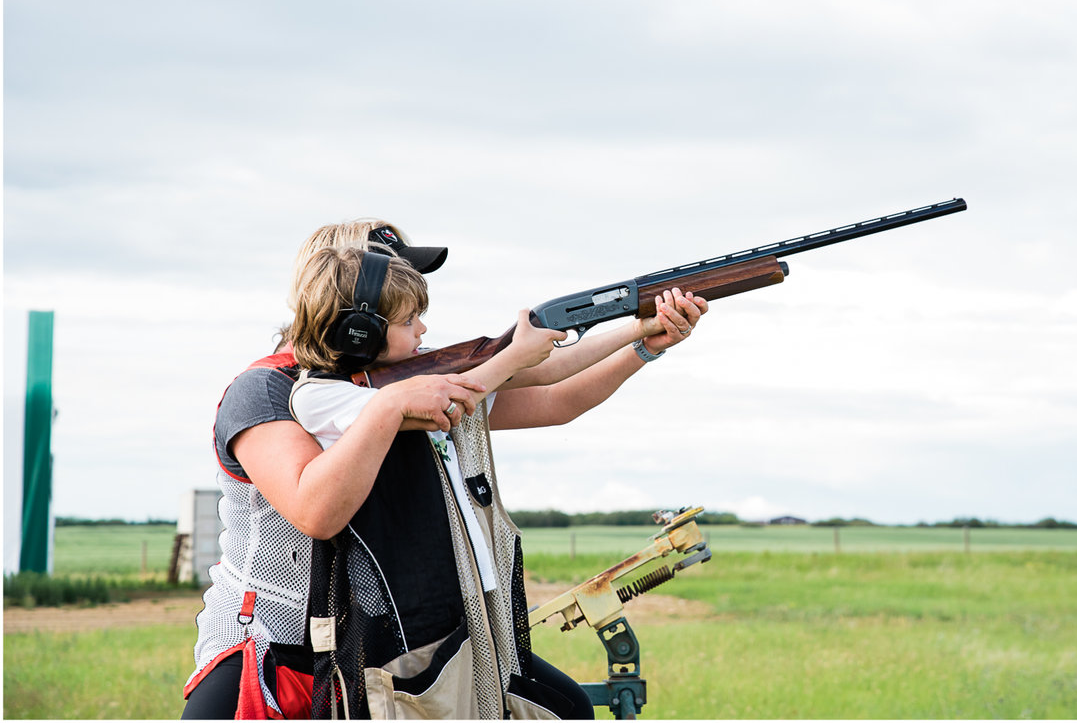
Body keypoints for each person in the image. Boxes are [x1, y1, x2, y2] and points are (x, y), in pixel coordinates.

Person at [186, 221, 706, 719]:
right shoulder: (272, 390)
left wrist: (641, 341)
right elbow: (317, 510)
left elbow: (552, 397)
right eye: (387, 276)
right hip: (280, 650)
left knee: (564, 706)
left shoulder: (400, 379)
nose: (420, 316)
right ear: (348, 303)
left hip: (400, 642)